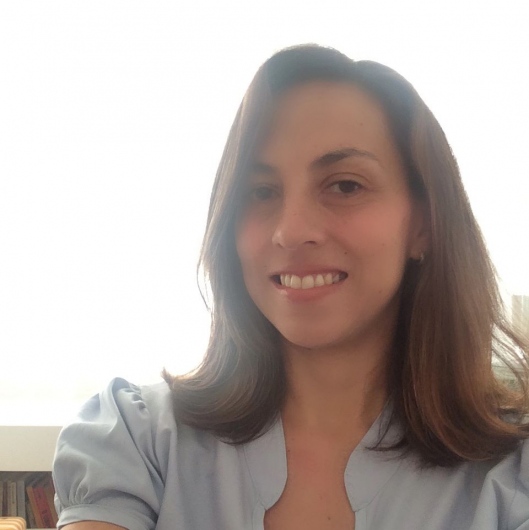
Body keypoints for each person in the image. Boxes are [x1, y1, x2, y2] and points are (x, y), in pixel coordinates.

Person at [52, 44, 529, 530]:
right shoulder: (138, 443)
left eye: (345, 186)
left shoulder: (513, 479)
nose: (291, 230)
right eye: (261, 192)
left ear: (424, 224)